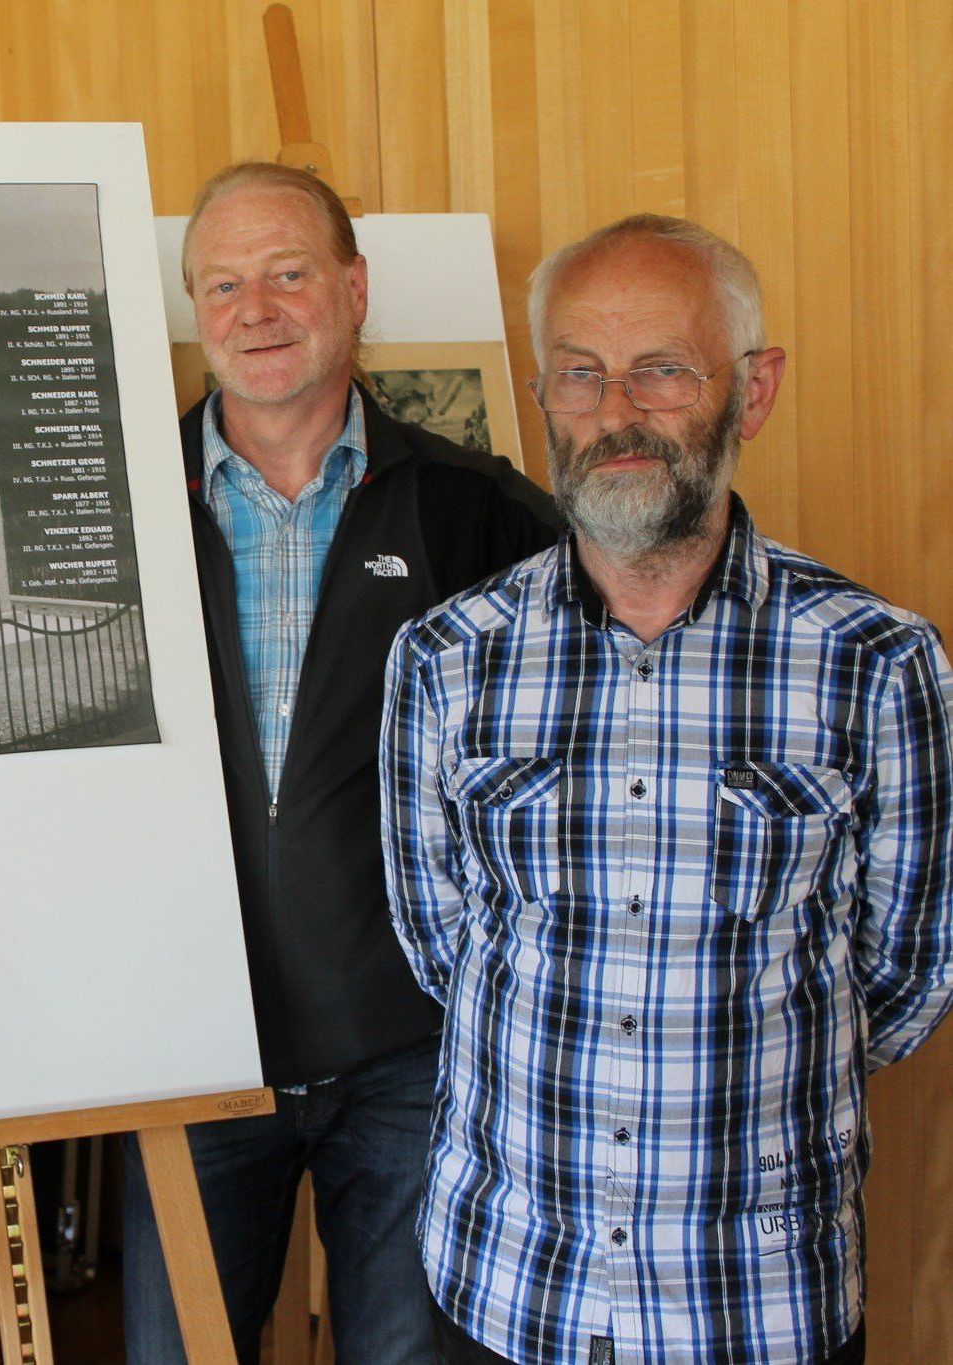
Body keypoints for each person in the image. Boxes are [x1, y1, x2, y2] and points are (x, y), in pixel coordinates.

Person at [380, 214, 953, 1364]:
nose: (615, 414)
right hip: (505, 1284)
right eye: (580, 375)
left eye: (661, 371)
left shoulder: (878, 663)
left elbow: (903, 973)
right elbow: (440, 939)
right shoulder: (445, 657)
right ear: (543, 392)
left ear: (750, 390)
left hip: (752, 1300)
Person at [123, 162, 558, 1363]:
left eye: (286, 272)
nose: (252, 308)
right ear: (193, 310)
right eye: (220, 283)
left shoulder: (482, 514)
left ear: (353, 289)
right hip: (186, 1053)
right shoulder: (117, 513)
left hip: (411, 1058)